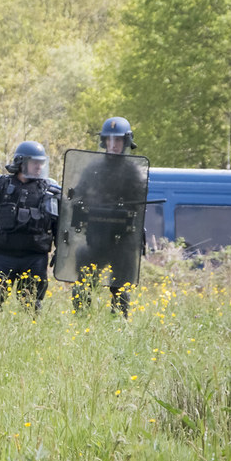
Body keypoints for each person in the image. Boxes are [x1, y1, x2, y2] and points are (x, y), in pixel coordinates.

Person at [0, 141, 61, 314]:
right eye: (35, 162)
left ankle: (30, 332)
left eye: (41, 163)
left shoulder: (50, 191)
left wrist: (62, 253)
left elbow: (61, 225)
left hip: (35, 257)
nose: (39, 167)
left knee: (32, 306)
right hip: (3, 255)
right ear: (21, 163)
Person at [70, 116, 140, 317]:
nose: (113, 144)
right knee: (82, 283)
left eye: (118, 140)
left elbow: (137, 207)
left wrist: (122, 210)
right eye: (109, 139)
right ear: (104, 141)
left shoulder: (133, 171)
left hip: (122, 239)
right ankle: (81, 320)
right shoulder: (93, 169)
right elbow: (78, 197)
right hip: (96, 236)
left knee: (121, 289)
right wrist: (81, 205)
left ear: (126, 142)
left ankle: (118, 324)